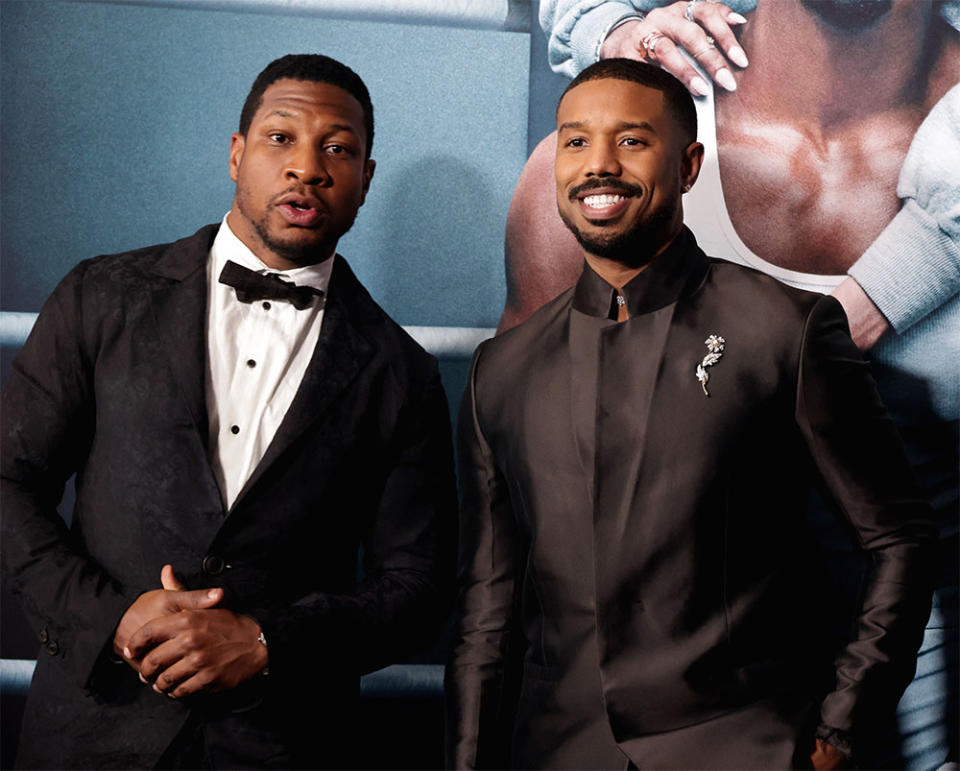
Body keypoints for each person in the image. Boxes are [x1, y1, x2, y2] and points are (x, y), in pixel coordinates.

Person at [446, 59, 936, 770]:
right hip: (553, 752)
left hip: (746, 747)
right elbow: (487, 613)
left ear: (689, 164)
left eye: (632, 141)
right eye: (576, 142)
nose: (599, 165)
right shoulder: (506, 368)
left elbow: (900, 538)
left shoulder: (785, 328)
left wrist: (839, 729)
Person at [1, 54, 457, 769]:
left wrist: (268, 641)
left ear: (365, 180)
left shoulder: (402, 370)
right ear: (237, 154)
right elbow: (7, 482)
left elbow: (419, 587)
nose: (307, 167)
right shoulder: (102, 295)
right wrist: (113, 616)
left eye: (338, 148)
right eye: (282, 138)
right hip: (90, 735)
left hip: (285, 744)